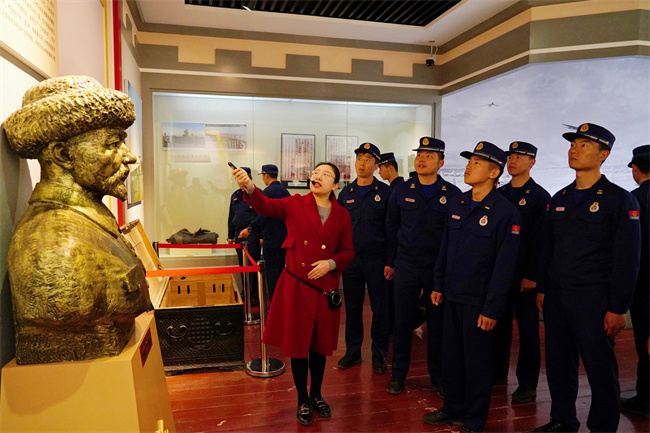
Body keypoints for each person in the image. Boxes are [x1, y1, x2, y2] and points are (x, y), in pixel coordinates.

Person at [2, 75, 152, 364]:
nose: (129, 157)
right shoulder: (55, 249)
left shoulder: (90, 223)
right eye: (113, 144)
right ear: (63, 154)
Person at [533, 123, 641, 433]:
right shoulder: (561, 197)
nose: (574, 150)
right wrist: (543, 288)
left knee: (599, 368)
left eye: (584, 145)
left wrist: (618, 307)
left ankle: (603, 427)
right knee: (559, 363)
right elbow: (548, 248)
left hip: (594, 299)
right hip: (557, 297)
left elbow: (627, 259)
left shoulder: (619, 200)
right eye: (573, 144)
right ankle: (562, 419)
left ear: (603, 154)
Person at [231, 162, 354, 426]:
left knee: (319, 346)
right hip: (298, 286)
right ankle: (302, 400)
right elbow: (266, 206)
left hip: (324, 288)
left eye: (325, 174)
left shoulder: (342, 214)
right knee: (299, 347)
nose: (317, 176)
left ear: (335, 185)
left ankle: (317, 394)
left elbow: (348, 251)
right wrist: (249, 186)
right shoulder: (295, 203)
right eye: (316, 172)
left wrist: (330, 264)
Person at [424, 141, 521, 433]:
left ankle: (475, 419)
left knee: (477, 363)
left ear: (494, 172)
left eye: (476, 163)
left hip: (479, 301)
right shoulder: (458, 203)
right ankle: (452, 407)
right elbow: (445, 247)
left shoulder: (506, 212)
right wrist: (438, 284)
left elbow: (505, 266)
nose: (468, 167)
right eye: (469, 161)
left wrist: (492, 309)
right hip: (452, 295)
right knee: (451, 356)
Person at [385, 137, 461, 395]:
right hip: (406, 266)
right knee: (402, 322)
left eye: (429, 156)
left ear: (441, 163)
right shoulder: (401, 190)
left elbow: (454, 235)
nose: (422, 159)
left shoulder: (452, 195)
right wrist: (390, 262)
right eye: (419, 155)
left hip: (436, 270)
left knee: (437, 326)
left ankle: (438, 377)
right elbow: (391, 228)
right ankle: (398, 374)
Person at [492, 141, 551, 402]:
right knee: (498, 325)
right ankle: (497, 372)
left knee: (527, 332)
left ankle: (527, 383)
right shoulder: (501, 193)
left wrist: (533, 276)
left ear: (532, 162)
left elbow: (542, 241)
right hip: (501, 274)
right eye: (510, 157)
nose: (512, 161)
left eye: (519, 157)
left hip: (525, 276)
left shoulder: (540, 197)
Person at [337, 142, 392, 374]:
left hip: (378, 261)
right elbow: (338, 229)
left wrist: (390, 261)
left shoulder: (385, 193)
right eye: (359, 158)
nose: (362, 163)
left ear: (376, 165)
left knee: (380, 309)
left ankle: (379, 354)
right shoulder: (346, 193)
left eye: (368, 159)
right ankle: (353, 352)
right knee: (352, 308)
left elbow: (392, 229)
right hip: (352, 261)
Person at [621, 144, 649, 418]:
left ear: (635, 168)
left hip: (645, 287)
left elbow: (630, 249)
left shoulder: (634, 199)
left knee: (646, 342)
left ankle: (646, 400)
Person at [240, 164, 290, 301]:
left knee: (272, 272)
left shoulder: (268, 192)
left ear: (266, 175)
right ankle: (283, 300)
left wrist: (250, 228)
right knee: (282, 270)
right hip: (284, 237)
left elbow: (263, 215)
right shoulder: (285, 191)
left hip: (271, 238)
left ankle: (275, 302)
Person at [227, 167, 261, 305]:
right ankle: (245, 292)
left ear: (250, 179)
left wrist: (261, 235)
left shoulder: (257, 194)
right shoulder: (235, 195)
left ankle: (253, 295)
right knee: (242, 265)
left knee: (252, 265)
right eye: (238, 180)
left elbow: (262, 216)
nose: (240, 183)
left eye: (243, 180)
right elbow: (231, 216)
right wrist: (230, 235)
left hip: (252, 233)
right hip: (238, 233)